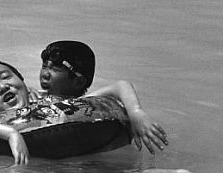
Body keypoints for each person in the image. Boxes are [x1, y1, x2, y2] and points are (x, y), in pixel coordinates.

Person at [38, 40, 168, 154]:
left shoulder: (80, 106)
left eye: (55, 69)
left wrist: (135, 112)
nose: (45, 74)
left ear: (79, 82)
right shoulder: (36, 98)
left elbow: (120, 85)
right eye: (44, 66)